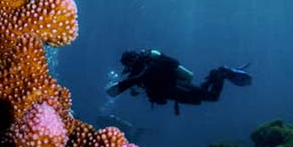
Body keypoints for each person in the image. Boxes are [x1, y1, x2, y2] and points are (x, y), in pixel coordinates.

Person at [106, 49, 252, 115]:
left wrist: (123, 85)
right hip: (174, 93)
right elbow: (140, 86)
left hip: (177, 87)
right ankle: (216, 74)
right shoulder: (138, 72)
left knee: (213, 97)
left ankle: (222, 73)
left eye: (128, 65)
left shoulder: (148, 66)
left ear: (130, 61)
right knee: (202, 95)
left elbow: (144, 77)